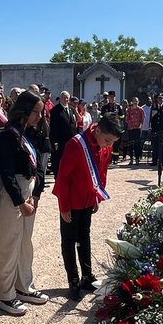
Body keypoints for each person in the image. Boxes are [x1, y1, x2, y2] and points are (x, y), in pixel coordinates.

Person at [0, 91, 50, 315]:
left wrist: (36, 195)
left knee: (26, 243)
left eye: (41, 112)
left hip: (29, 191)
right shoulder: (6, 137)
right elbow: (6, 172)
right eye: (36, 112)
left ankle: (23, 286)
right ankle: (6, 294)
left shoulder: (33, 134)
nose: (39, 117)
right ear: (24, 110)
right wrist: (20, 201)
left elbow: (40, 166)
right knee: (8, 243)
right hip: (11, 195)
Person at [53, 112, 122, 300]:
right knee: (69, 239)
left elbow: (102, 172)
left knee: (85, 236)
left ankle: (87, 275)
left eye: (112, 142)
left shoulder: (106, 145)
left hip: (88, 199)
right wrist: (64, 206)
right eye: (107, 140)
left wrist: (97, 196)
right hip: (72, 200)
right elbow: (63, 177)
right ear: (97, 130)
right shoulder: (76, 144)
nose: (109, 145)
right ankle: (73, 279)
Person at [49, 90, 76, 175]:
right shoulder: (55, 110)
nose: (66, 100)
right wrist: (55, 141)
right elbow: (53, 127)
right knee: (59, 158)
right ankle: (58, 175)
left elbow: (74, 122)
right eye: (64, 98)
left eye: (67, 98)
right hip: (61, 140)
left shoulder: (71, 109)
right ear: (60, 99)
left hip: (71, 138)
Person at [124, 96, 144, 165]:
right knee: (131, 144)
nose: (135, 102)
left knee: (137, 144)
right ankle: (131, 159)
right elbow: (126, 119)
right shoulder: (129, 110)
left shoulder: (141, 109)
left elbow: (142, 119)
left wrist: (140, 126)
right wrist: (130, 124)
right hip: (131, 129)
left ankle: (137, 159)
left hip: (137, 129)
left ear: (138, 102)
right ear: (132, 101)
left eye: (136, 101)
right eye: (134, 101)